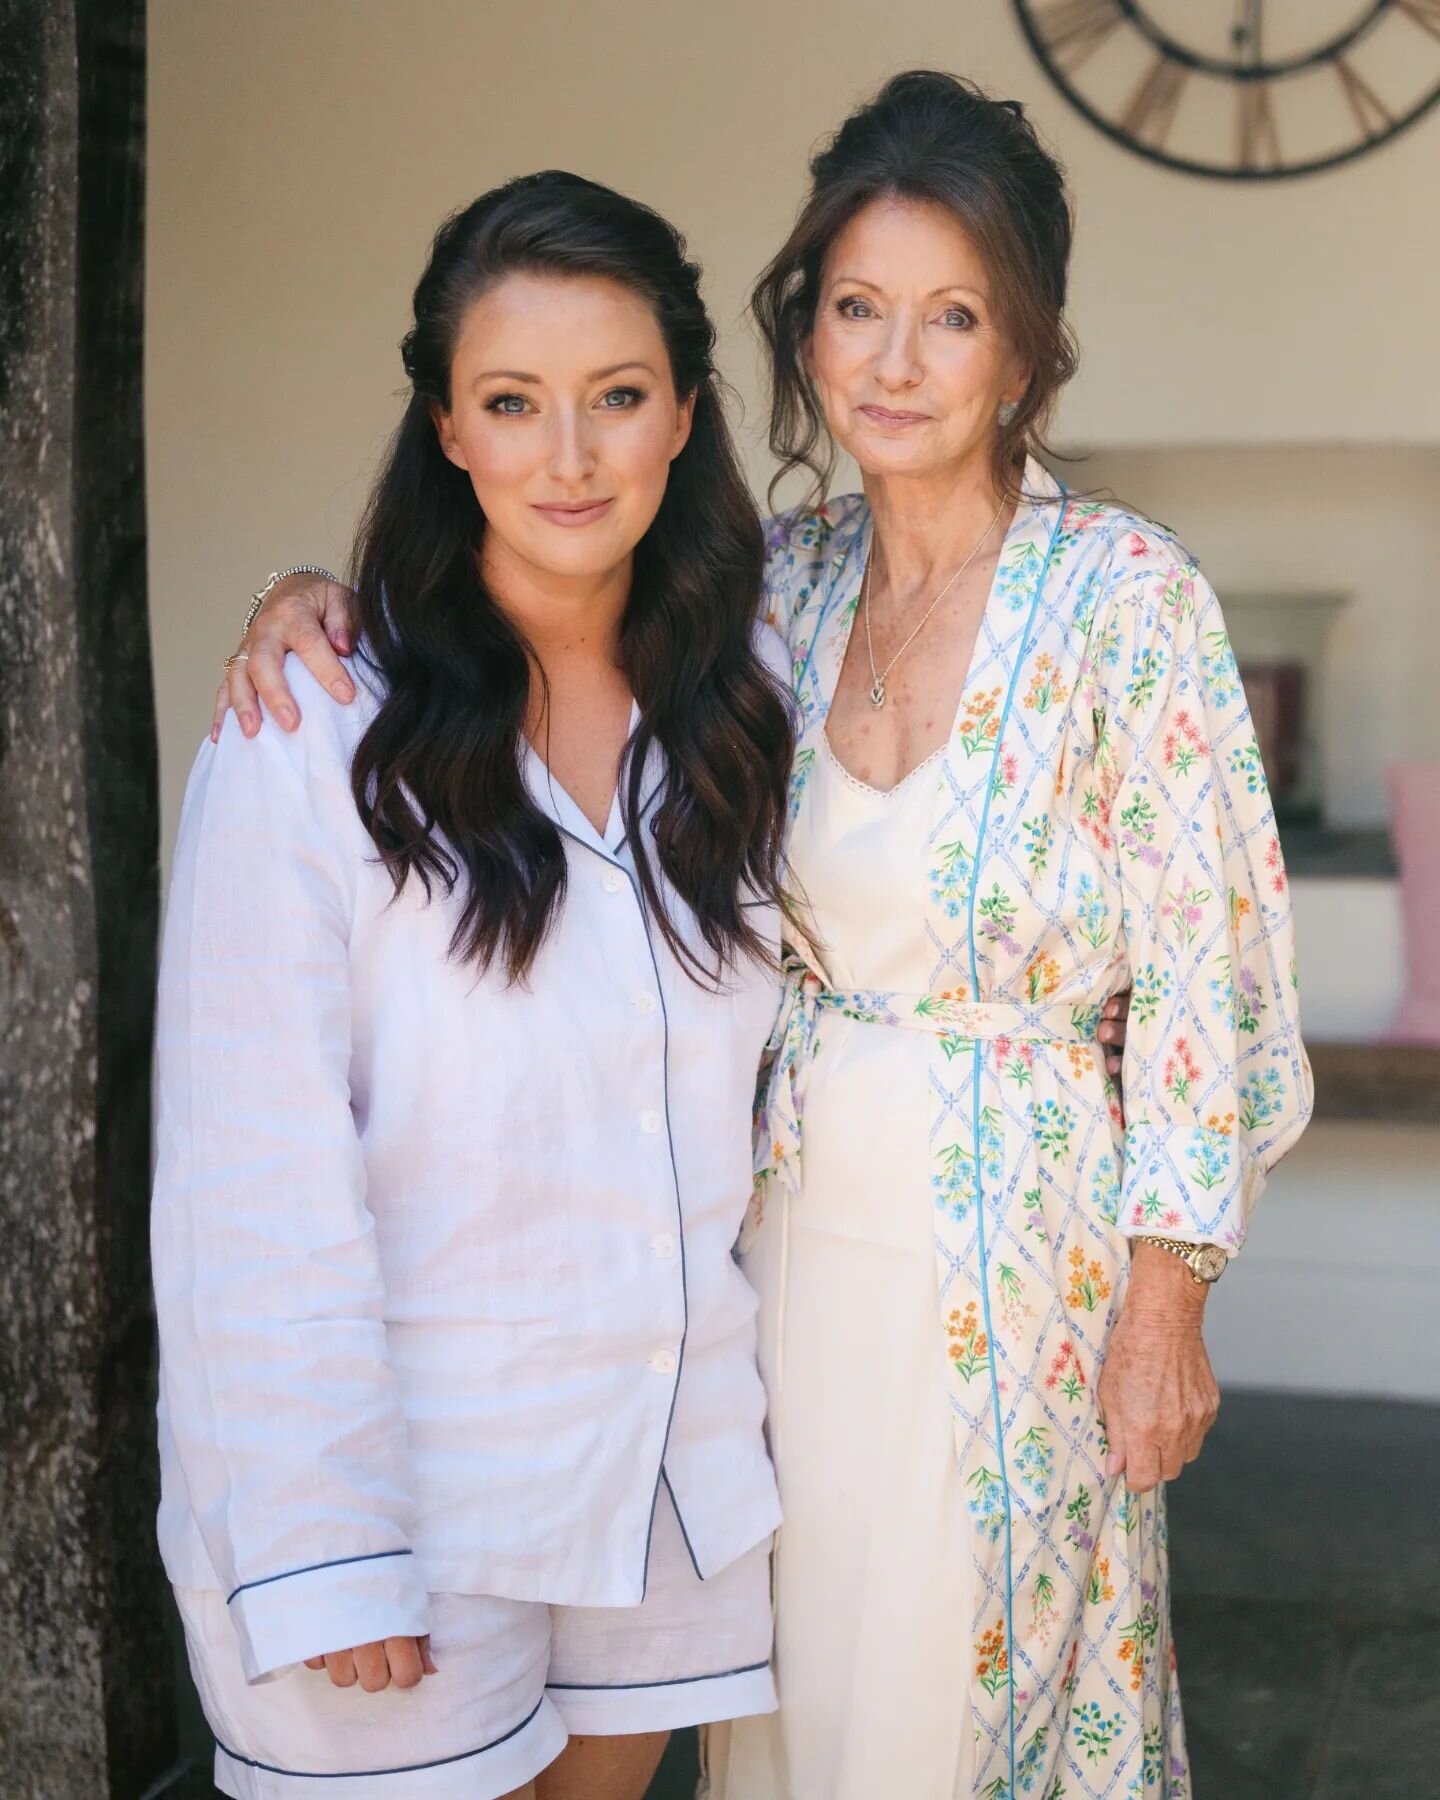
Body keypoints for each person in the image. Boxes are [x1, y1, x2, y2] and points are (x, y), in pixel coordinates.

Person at [209, 73, 1306, 1800]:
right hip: (763, 1283)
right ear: (802, 336)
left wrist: (1167, 1300)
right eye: (857, 309)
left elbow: (1210, 982)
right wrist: (314, 598)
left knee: (972, 1700)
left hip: (1020, 1258)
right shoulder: (763, 591)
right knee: (789, 1709)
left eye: (952, 318)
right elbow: (519, 584)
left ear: (1023, 353)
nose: (895, 359)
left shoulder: (1126, 600)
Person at [151, 170, 799, 1800]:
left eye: (616, 399)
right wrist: (322, 1540)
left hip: (666, 1482)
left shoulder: (754, 698)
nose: (568, 457)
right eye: (512, 403)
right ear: (447, 429)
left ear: (684, 418)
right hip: (407, 1508)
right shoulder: (312, 735)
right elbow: (250, 1174)